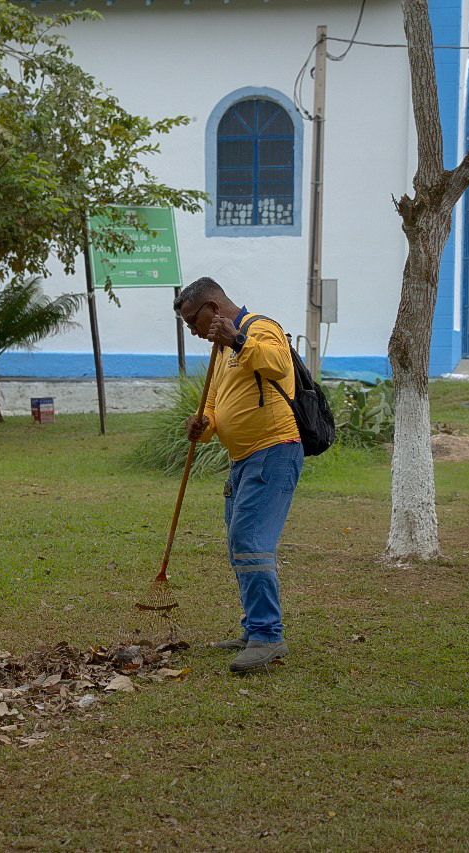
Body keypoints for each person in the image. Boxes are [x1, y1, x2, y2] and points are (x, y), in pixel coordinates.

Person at [174, 276, 303, 673]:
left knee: (249, 539)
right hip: (243, 459)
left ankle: (268, 636)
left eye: (193, 321)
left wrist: (238, 341)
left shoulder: (261, 329)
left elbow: (280, 366)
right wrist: (202, 423)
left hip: (275, 450)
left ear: (213, 309)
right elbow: (213, 404)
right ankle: (254, 629)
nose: (193, 332)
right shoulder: (219, 352)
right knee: (238, 542)